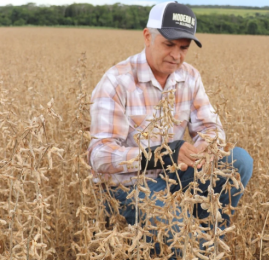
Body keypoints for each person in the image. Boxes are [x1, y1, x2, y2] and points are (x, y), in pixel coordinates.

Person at [87, 1, 253, 258]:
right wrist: (161, 154)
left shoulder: (189, 76)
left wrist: (203, 150)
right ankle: (188, 242)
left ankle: (209, 238)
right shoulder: (116, 82)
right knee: (182, 240)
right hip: (130, 186)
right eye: (169, 45)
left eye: (184, 48)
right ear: (147, 36)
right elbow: (100, 156)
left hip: (176, 175)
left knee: (239, 161)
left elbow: (211, 127)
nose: (177, 56)